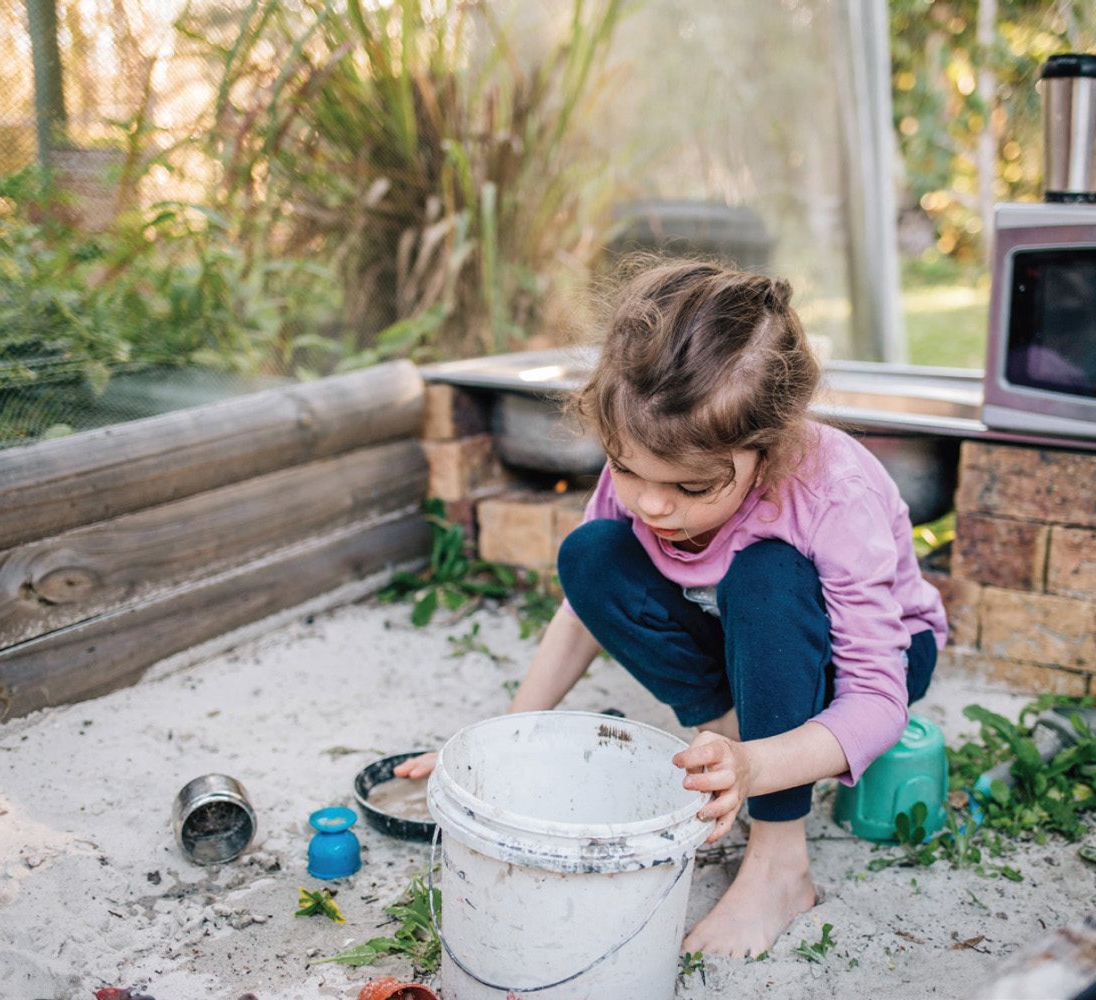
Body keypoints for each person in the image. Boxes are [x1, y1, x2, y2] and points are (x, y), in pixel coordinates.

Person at [395, 259, 947, 957]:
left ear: (766, 449)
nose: (653, 504)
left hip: (861, 661)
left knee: (766, 574)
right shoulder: (650, 451)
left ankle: (779, 860)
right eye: (627, 470)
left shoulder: (832, 492)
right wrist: (497, 745)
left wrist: (756, 768)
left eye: (690, 487)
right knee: (593, 554)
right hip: (743, 640)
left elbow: (878, 699)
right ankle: (733, 733)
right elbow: (583, 613)